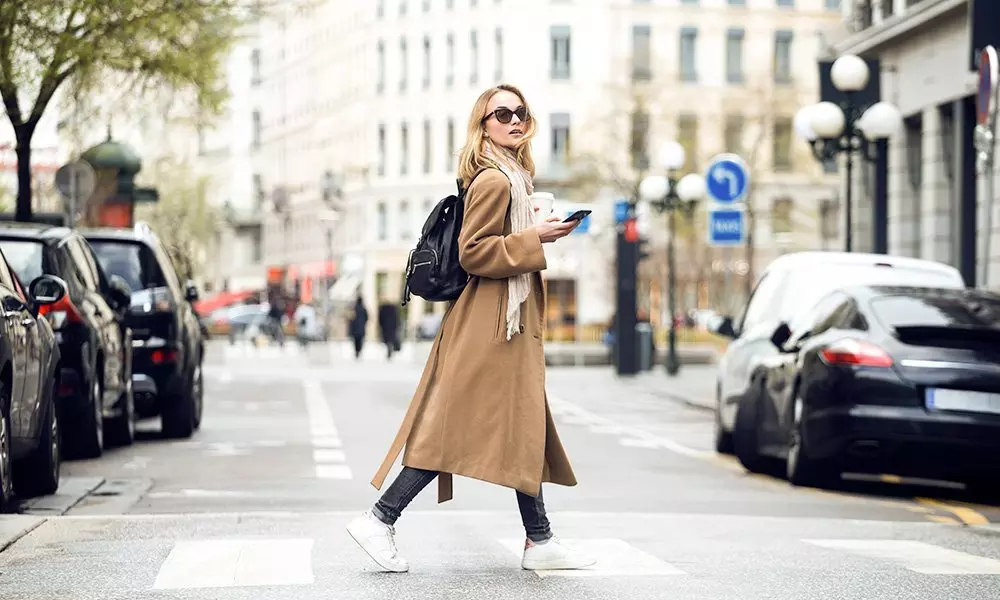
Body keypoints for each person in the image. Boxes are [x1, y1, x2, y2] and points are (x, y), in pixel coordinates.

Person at [347, 84, 593, 573]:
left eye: (521, 112)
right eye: (502, 113)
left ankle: (539, 538)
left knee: (523, 422)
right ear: (483, 123)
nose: (514, 120)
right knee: (456, 426)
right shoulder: (494, 181)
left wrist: (538, 232)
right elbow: (474, 251)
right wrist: (534, 236)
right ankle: (380, 518)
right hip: (488, 320)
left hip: (505, 318)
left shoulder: (515, 178)